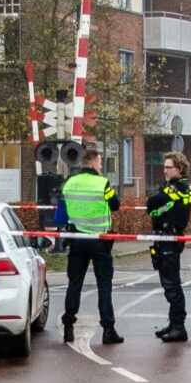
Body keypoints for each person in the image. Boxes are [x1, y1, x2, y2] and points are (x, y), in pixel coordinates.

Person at [59, 143, 122, 346]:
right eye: (101, 162)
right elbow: (116, 205)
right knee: (104, 285)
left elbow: (61, 213)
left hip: (77, 240)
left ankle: (68, 326)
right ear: (93, 162)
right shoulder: (102, 183)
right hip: (99, 240)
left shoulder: (69, 183)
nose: (101, 166)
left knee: (74, 283)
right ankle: (108, 329)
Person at [147, 152, 191, 342]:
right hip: (166, 236)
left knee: (172, 284)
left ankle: (179, 326)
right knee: (168, 282)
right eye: (165, 166)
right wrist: (160, 211)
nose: (165, 170)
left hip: (171, 237)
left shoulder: (179, 187)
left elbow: (151, 203)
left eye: (169, 167)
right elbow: (155, 209)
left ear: (180, 168)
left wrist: (158, 209)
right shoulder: (175, 188)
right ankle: (173, 322)